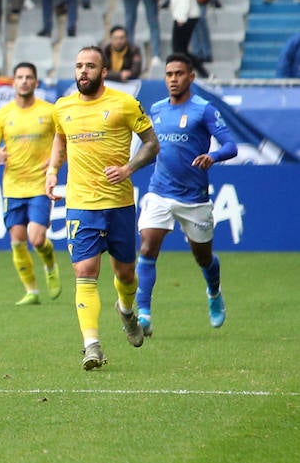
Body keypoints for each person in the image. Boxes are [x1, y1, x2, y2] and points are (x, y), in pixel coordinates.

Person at [45, 46, 159, 370]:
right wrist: (53, 171)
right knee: (84, 272)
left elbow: (152, 144)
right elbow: (59, 138)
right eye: (79, 65)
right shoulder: (63, 107)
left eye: (90, 66)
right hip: (81, 204)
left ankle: (125, 310)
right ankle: (91, 345)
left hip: (119, 204)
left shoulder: (123, 104)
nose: (83, 71)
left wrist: (128, 169)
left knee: (125, 275)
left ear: (103, 71)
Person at [119, 54, 237, 336]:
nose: (173, 79)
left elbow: (231, 145)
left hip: (194, 198)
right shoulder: (156, 110)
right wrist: (128, 168)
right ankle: (144, 315)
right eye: (169, 74)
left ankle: (213, 292)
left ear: (191, 77)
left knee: (203, 257)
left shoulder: (204, 110)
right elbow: (149, 150)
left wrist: (213, 155)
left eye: (179, 73)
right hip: (159, 192)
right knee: (147, 247)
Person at [0, 62, 61, 305]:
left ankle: (49, 263)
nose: (24, 81)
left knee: (36, 238)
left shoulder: (50, 112)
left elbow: (65, 140)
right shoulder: (3, 114)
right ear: (13, 82)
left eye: (28, 77)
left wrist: (57, 160)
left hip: (39, 185)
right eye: (20, 77)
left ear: (36, 83)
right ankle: (32, 292)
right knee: (17, 240)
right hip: (13, 186)